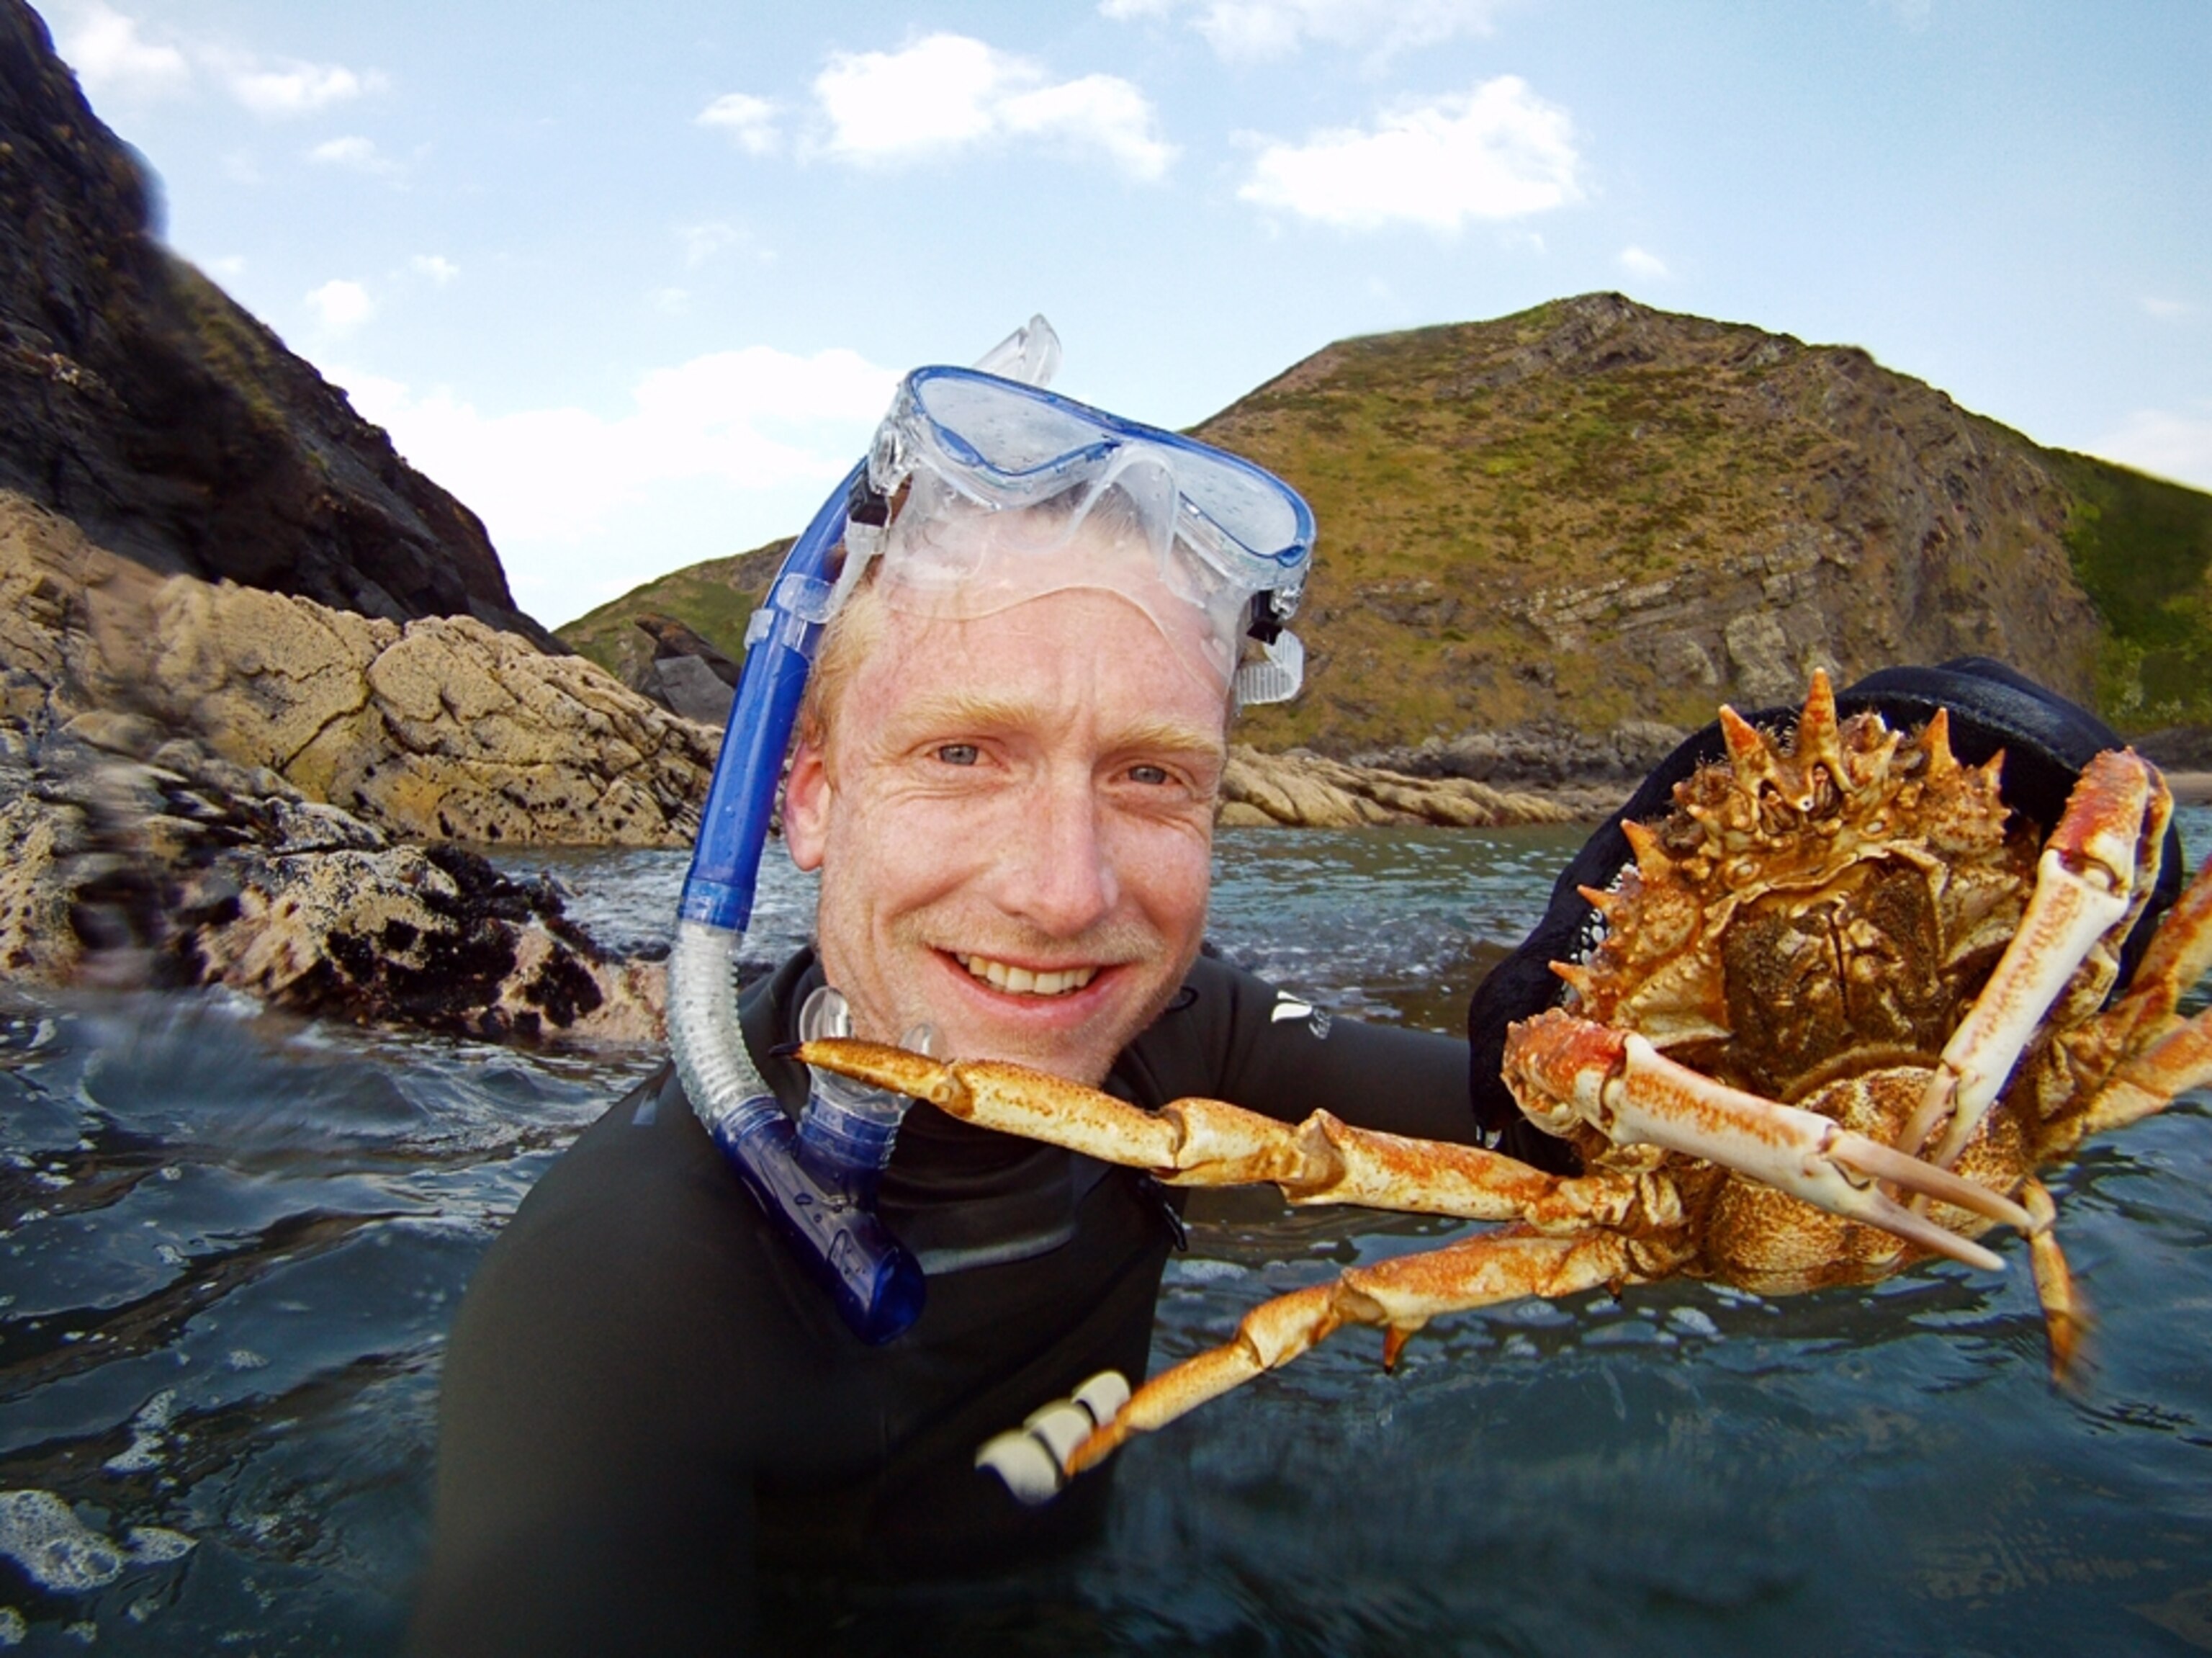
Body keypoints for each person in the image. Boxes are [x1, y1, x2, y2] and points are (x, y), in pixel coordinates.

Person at [407, 326, 2180, 1654]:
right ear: (802, 789)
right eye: (965, 751)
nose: (1065, 885)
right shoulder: (625, 1306)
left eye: (1155, 775)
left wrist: (1962, 962)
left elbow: (1584, 1156)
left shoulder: (1184, 1042)